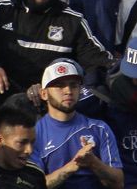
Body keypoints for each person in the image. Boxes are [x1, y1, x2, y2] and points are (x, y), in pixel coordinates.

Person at [33, 58, 124, 189]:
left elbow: (118, 183)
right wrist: (72, 166)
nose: (68, 91)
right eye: (60, 86)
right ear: (44, 94)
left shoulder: (99, 128)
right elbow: (33, 185)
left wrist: (93, 162)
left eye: (73, 85)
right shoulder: (34, 135)